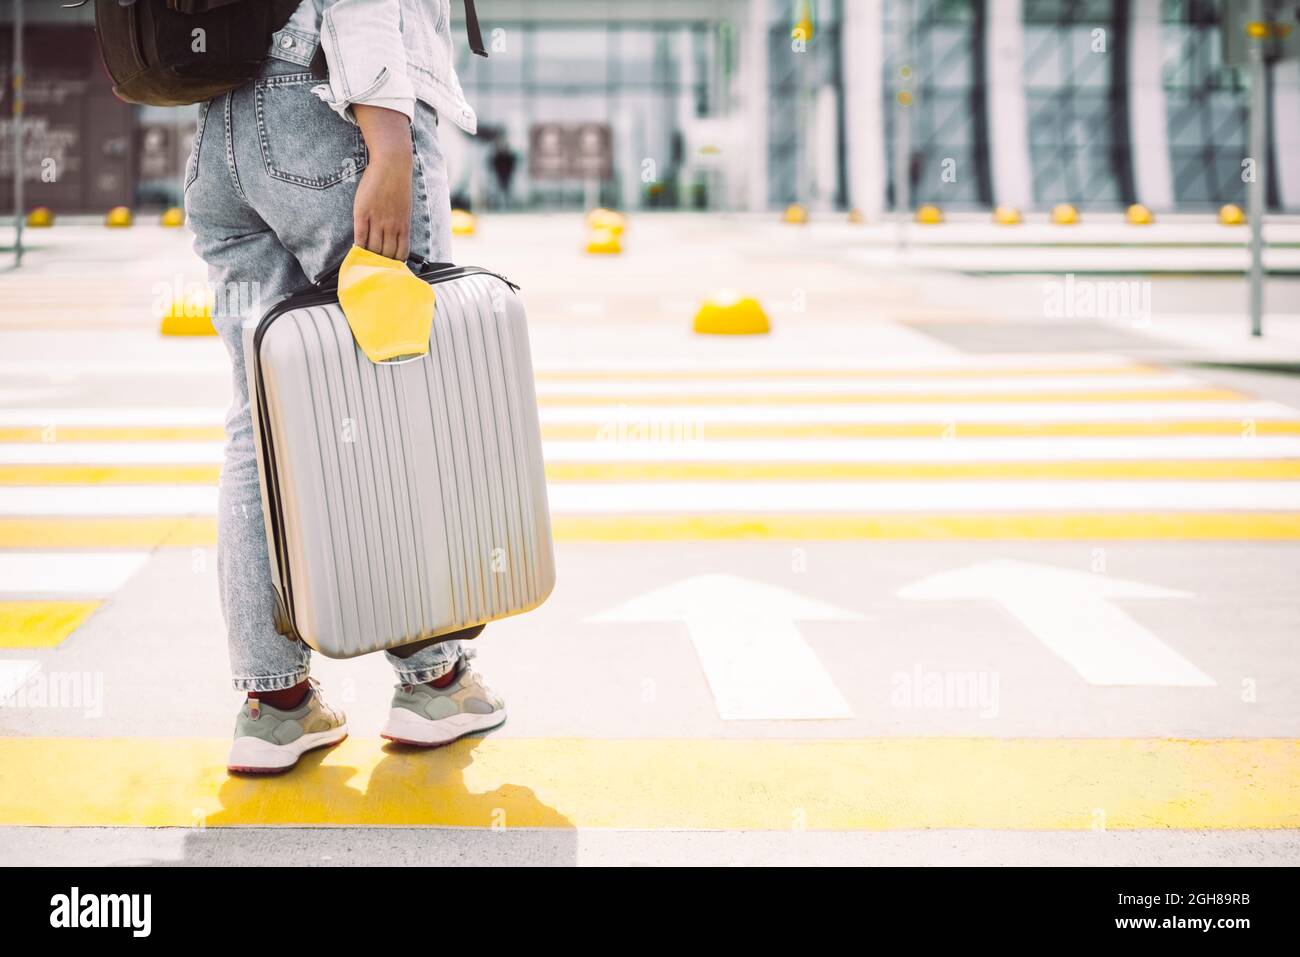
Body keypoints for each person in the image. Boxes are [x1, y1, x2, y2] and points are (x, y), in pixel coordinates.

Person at [184, 0, 505, 774]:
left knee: (258, 416)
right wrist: (389, 147)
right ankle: (436, 681)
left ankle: (276, 702)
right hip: (336, 114)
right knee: (398, 390)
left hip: (221, 131)